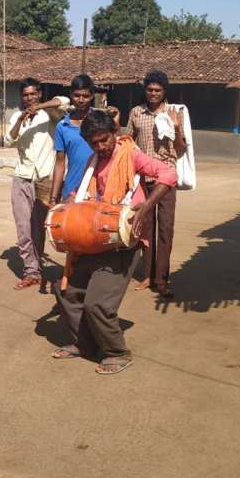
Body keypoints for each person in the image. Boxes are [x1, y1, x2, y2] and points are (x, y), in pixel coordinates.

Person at [51, 109, 177, 375]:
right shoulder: (93, 160)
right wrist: (70, 200)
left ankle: (118, 352)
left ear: (115, 133)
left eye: (104, 140)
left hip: (122, 241)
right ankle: (84, 344)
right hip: (93, 237)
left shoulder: (131, 155)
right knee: (67, 293)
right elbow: (82, 190)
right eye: (94, 143)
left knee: (98, 303)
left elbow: (168, 173)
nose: (101, 147)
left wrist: (147, 206)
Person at [124, 70, 187, 300]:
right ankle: (148, 275)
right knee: (145, 229)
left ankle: (162, 279)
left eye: (157, 90)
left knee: (165, 229)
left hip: (166, 180)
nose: (153, 93)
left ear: (164, 92)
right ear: (145, 90)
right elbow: (128, 144)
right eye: (149, 89)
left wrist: (177, 127)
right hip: (143, 179)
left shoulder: (174, 114)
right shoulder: (136, 113)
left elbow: (180, 151)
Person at [4, 78, 70, 290]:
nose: (29, 98)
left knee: (40, 228)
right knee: (23, 227)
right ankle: (31, 271)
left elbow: (64, 101)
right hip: (21, 176)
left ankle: (38, 267)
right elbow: (8, 139)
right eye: (25, 95)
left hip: (44, 178)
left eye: (33, 94)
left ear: (40, 94)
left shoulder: (49, 114)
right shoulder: (17, 115)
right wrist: (22, 118)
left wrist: (38, 107)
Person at [49, 74, 119, 206]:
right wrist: (53, 198)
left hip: (101, 189)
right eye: (76, 95)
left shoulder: (102, 120)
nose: (81, 100)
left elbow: (116, 148)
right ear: (71, 94)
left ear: (92, 95)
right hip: (73, 191)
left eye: (85, 96)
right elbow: (59, 164)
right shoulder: (63, 126)